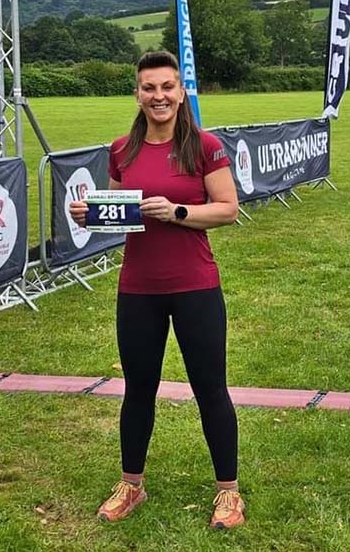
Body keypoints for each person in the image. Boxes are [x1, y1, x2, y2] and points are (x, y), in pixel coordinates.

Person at [69, 50, 244, 530]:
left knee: (210, 389)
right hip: (139, 289)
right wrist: (88, 214)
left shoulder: (203, 146)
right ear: (138, 94)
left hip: (195, 286)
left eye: (167, 87)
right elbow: (115, 213)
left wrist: (180, 213)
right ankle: (132, 485)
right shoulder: (122, 149)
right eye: (149, 88)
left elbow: (227, 208)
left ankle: (228, 493)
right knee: (138, 389)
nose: (158, 96)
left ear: (181, 92)